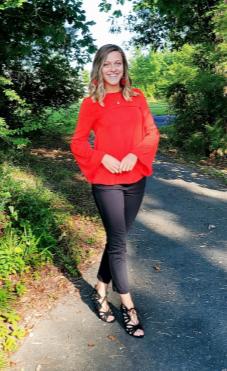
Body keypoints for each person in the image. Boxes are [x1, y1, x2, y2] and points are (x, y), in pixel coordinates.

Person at [70, 44, 159, 338]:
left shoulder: (136, 97)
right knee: (119, 243)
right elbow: (79, 142)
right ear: (99, 67)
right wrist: (101, 156)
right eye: (107, 64)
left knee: (117, 238)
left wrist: (137, 154)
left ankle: (99, 288)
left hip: (135, 179)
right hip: (106, 182)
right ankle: (128, 306)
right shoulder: (91, 104)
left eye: (118, 63)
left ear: (124, 67)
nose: (113, 69)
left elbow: (151, 133)